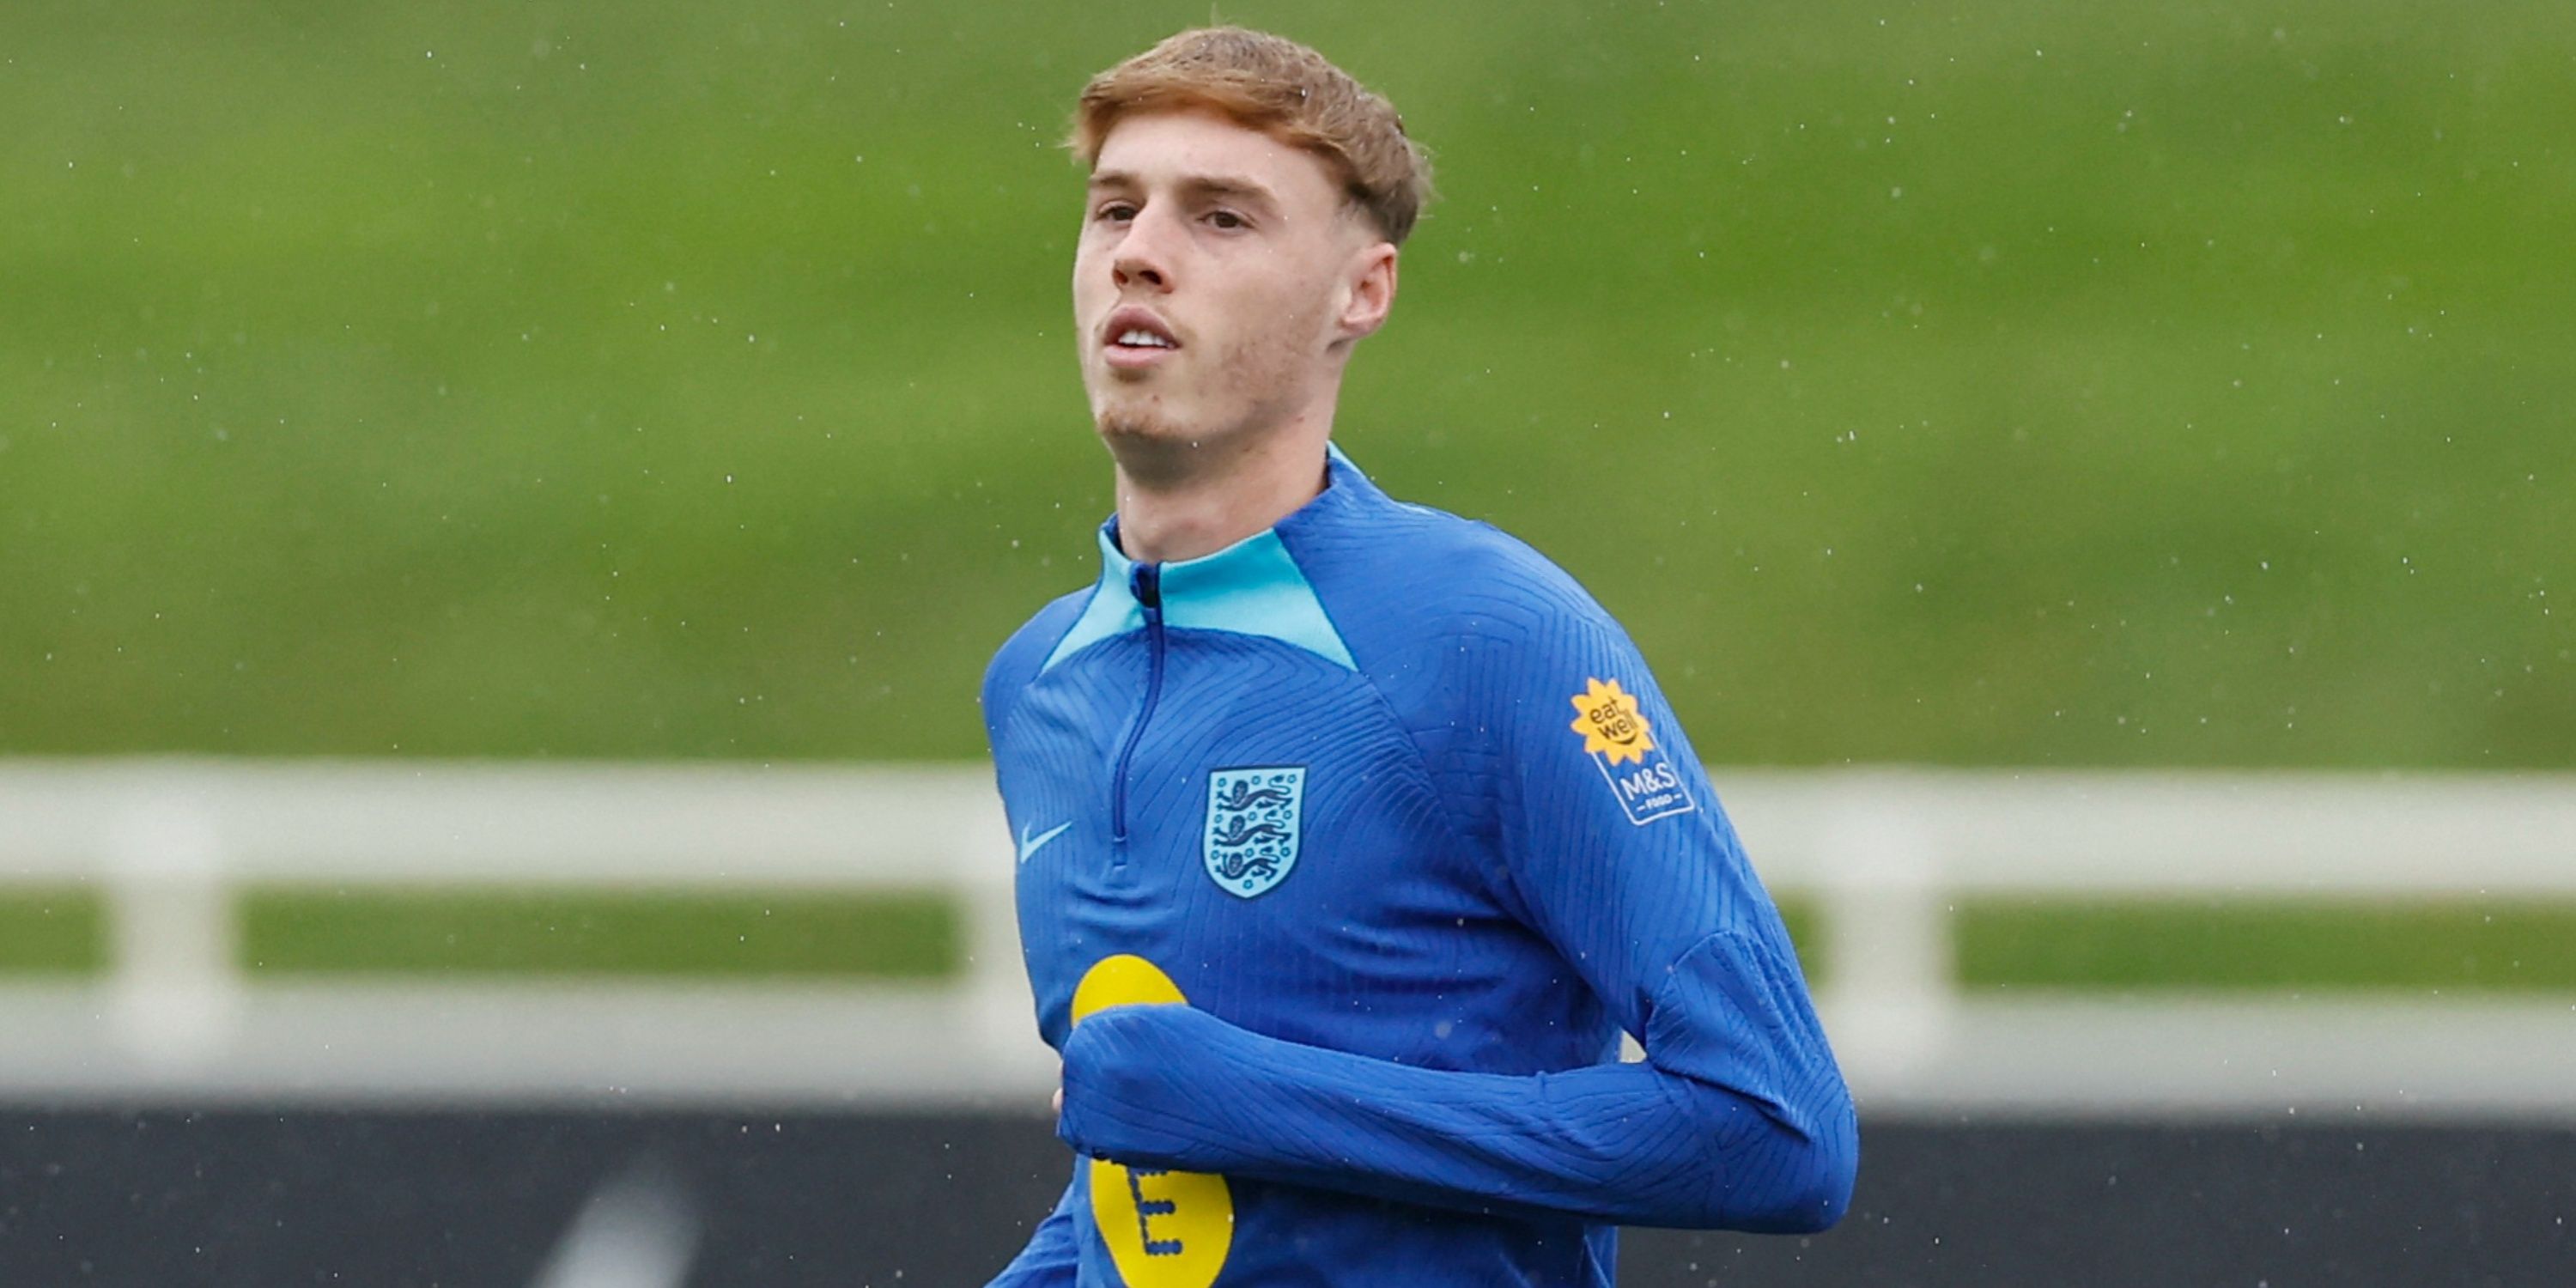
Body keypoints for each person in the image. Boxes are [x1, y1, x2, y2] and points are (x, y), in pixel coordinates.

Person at [979, 27, 1856, 1287]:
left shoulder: (1489, 638)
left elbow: (1775, 1134)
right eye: (1115, 207)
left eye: (1222, 220)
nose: (1140, 253)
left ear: (1363, 292)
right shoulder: (1042, 683)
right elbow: (1149, 1202)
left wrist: (1247, 1098)